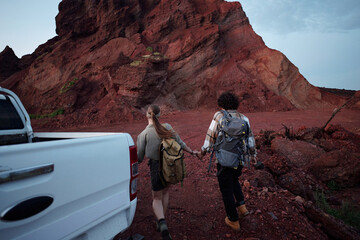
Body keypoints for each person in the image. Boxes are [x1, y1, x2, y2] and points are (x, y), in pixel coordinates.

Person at [197, 92, 256, 231]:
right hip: (239, 159)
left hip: (223, 160)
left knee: (226, 189)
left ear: (222, 104)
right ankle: (242, 206)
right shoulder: (244, 118)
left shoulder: (219, 116)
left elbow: (211, 134)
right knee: (234, 180)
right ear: (235, 104)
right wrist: (253, 155)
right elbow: (250, 139)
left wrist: (203, 151)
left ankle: (233, 219)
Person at [137, 104, 197, 240]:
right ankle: (161, 221)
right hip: (170, 166)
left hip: (155, 167)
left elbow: (139, 158)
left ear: (147, 115)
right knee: (165, 192)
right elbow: (180, 143)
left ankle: (161, 222)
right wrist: (192, 152)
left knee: (156, 197)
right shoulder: (168, 127)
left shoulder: (143, 134)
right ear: (159, 115)